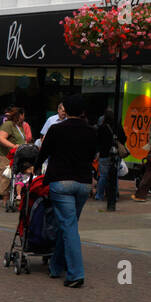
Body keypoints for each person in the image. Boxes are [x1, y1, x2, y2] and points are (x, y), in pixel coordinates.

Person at [41, 94, 99, 287]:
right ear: (83, 111)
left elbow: (44, 153)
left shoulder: (56, 129)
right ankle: (56, 266)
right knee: (69, 225)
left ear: (65, 109)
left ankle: (75, 274)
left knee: (68, 226)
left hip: (61, 181)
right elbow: (93, 155)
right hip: (83, 182)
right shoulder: (92, 131)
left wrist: (34, 166)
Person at [0, 106, 26, 200]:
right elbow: (0, 138)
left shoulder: (20, 126)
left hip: (16, 156)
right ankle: (5, 200)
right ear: (20, 115)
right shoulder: (8, 124)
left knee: (16, 177)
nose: (24, 117)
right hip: (5, 155)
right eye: (23, 115)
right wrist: (13, 146)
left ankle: (13, 198)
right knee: (6, 176)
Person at [94, 109, 126, 202]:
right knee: (114, 176)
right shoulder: (118, 126)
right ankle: (113, 195)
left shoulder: (102, 127)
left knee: (103, 176)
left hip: (104, 154)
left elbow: (98, 141)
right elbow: (124, 138)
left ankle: (99, 195)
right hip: (115, 153)